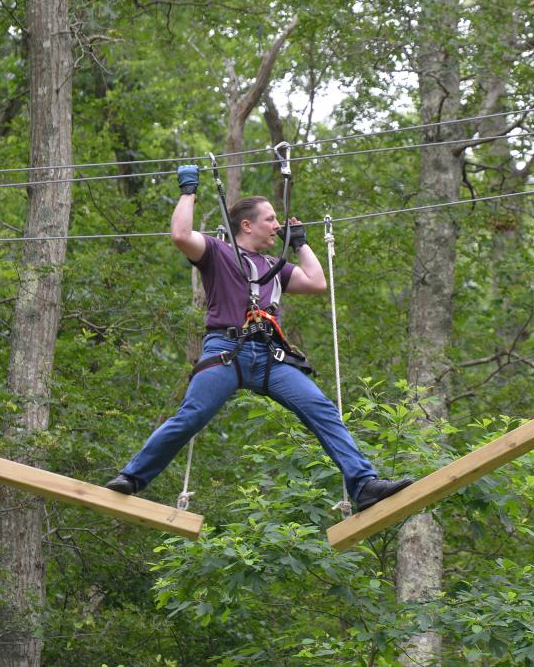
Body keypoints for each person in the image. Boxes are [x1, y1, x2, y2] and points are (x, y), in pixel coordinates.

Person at [105, 164, 411, 512]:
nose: (276, 225)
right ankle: (132, 477)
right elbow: (180, 235)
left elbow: (316, 283)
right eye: (270, 219)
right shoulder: (217, 253)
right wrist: (189, 191)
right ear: (247, 225)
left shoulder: (273, 267)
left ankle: (364, 484)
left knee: (320, 408)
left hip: (270, 356)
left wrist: (300, 244)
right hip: (226, 350)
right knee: (191, 415)